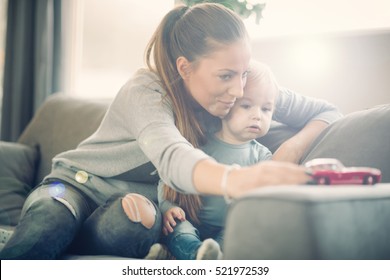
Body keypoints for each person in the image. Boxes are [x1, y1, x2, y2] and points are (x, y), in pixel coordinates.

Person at [0, 3, 342, 260]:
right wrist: (236, 179)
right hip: (75, 186)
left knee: (136, 223)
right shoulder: (147, 90)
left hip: (132, 207)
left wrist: (291, 151)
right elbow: (171, 155)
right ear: (185, 67)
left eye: (242, 73)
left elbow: (328, 111)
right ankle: (46, 228)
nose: (239, 90)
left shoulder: (243, 89)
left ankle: (66, 238)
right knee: (51, 217)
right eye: (226, 76)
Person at [156, 61, 278, 260]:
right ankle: (195, 255)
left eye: (266, 109)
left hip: (229, 228)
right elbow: (167, 177)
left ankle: (194, 258)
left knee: (234, 238)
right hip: (189, 218)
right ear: (226, 106)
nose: (257, 116)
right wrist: (167, 207)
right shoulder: (200, 145)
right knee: (178, 229)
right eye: (246, 106)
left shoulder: (262, 157)